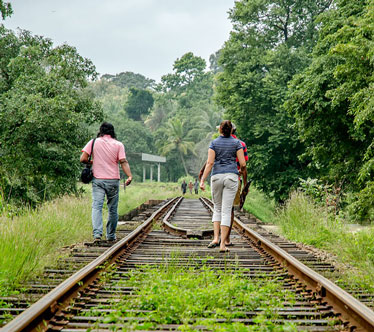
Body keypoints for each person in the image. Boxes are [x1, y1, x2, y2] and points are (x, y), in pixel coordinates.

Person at [80, 122, 132, 243]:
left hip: (98, 180)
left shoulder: (93, 142)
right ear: (112, 132)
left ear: (101, 131)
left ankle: (97, 235)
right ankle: (111, 236)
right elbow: (123, 161)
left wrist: (93, 162)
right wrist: (129, 176)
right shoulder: (119, 144)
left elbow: (83, 158)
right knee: (112, 209)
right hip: (113, 180)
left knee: (97, 207)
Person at [200, 120, 247, 253]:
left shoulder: (214, 143)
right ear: (231, 130)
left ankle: (215, 238)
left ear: (220, 130)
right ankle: (222, 245)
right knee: (227, 210)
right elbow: (243, 164)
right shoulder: (237, 143)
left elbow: (209, 163)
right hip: (231, 177)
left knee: (217, 209)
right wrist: (240, 173)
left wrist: (203, 180)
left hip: (216, 176)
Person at [227, 123, 249, 245]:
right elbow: (244, 165)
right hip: (235, 178)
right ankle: (227, 238)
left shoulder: (217, 142)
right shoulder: (241, 144)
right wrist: (245, 184)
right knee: (230, 210)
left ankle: (218, 237)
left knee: (221, 209)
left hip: (220, 177)